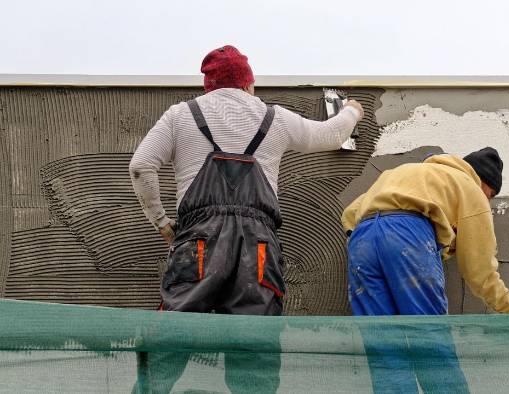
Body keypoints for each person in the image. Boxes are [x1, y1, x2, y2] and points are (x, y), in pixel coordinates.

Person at [129, 44, 363, 393]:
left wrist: (163, 223)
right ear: (249, 84)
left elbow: (140, 166)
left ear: (208, 86)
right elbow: (330, 135)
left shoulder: (181, 115)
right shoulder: (276, 118)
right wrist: (352, 112)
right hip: (258, 249)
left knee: (171, 338)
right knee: (255, 349)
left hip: (197, 243)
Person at [342, 148, 509, 393]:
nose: (488, 202)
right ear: (482, 182)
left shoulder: (406, 171)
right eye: (489, 195)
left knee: (384, 351)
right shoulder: (469, 188)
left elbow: (350, 213)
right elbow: (479, 269)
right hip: (407, 236)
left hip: (361, 241)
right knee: (429, 340)